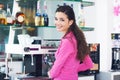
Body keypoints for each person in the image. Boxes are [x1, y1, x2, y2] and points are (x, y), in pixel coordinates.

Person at [47, 5, 93, 80]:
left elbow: (59, 64)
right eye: (56, 19)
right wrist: (71, 69)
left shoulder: (67, 41)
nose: (57, 23)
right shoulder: (77, 38)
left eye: (62, 20)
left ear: (70, 22)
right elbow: (89, 64)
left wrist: (51, 74)